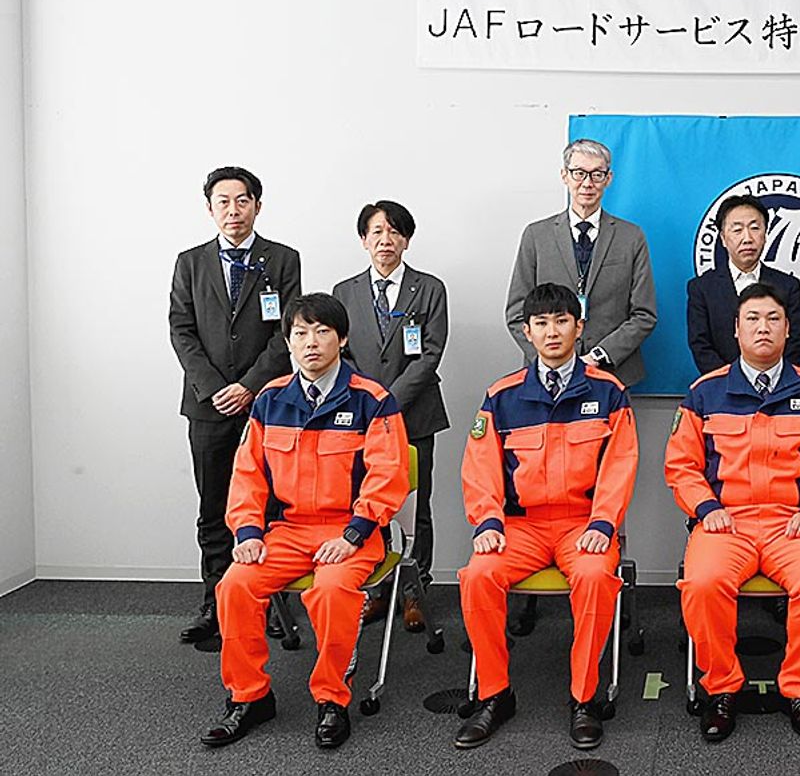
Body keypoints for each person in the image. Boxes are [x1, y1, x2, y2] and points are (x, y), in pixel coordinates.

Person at [200, 294, 410, 750]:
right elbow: (248, 475)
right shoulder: (270, 400)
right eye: (300, 333)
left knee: (331, 591)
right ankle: (249, 697)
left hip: (352, 532)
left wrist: (353, 535)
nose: (311, 342)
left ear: (342, 339)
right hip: (288, 532)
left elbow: (387, 477)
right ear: (289, 342)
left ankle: (332, 700)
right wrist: (248, 532)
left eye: (322, 332)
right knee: (234, 585)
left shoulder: (373, 400)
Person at [666, 283, 800, 744]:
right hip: (725, 523)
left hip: (793, 524)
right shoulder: (705, 392)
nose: (763, 328)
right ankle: (721, 688)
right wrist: (706, 507)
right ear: (736, 329)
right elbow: (681, 465)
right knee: (702, 584)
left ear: (789, 328)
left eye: (773, 319)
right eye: (752, 319)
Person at [454, 282, 640, 752]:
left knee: (596, 579)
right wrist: (487, 522)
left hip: (584, 526)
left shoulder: (609, 392)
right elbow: (480, 468)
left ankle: (584, 698)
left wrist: (603, 524)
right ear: (527, 332)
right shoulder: (502, 396)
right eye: (541, 323)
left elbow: (620, 465)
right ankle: (495, 694)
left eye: (561, 321)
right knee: (477, 576)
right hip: (521, 527)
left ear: (579, 328)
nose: (552, 331)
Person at [169, 166, 301, 645]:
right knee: (214, 506)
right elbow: (181, 330)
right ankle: (215, 602)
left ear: (257, 206)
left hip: (265, 403)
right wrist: (214, 387)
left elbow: (287, 332)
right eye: (223, 202)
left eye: (242, 200)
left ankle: (268, 601)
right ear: (210, 209)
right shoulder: (190, 262)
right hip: (208, 406)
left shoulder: (283, 259)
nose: (233, 210)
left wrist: (248, 386)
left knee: (267, 504)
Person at [332, 200, 449, 632]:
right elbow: (340, 353)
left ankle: (415, 592)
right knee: (371, 503)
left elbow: (431, 353)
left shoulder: (430, 288)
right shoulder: (344, 293)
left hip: (416, 414)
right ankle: (377, 589)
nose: (386, 240)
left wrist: (388, 399)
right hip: (360, 419)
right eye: (377, 232)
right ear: (364, 240)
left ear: (407, 240)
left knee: (418, 507)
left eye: (395, 232)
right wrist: (369, 402)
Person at [506, 138, 657, 387]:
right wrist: (553, 358)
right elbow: (516, 312)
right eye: (579, 173)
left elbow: (644, 314)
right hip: (548, 375)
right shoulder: (536, 235)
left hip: (611, 374)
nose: (587, 183)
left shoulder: (631, 237)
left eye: (597, 174)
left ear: (608, 179)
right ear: (564, 175)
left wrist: (598, 356)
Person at [686, 193, 800, 373]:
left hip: (778, 384)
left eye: (755, 228)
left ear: (765, 234)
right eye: (737, 230)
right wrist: (730, 381)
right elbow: (700, 344)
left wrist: (769, 380)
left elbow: (795, 342)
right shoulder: (702, 288)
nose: (747, 238)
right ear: (723, 238)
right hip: (722, 385)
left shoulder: (788, 286)